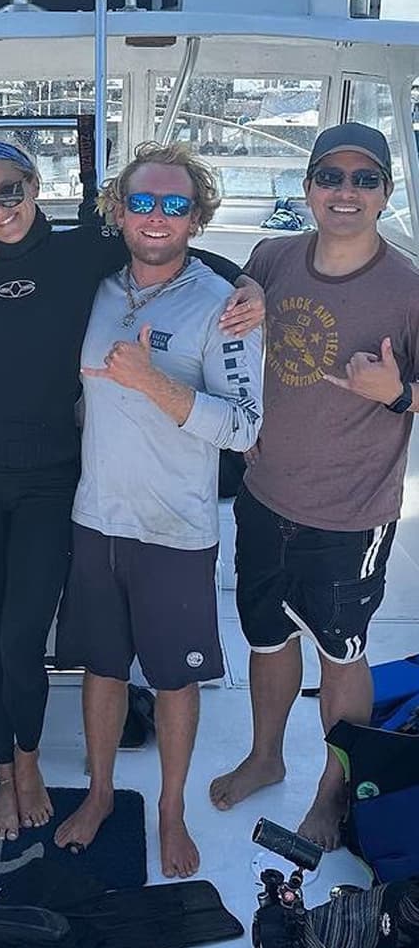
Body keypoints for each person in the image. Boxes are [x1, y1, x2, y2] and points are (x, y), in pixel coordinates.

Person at [0, 140, 264, 841]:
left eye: (11, 192)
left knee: (30, 635)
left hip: (67, 483)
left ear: (33, 183)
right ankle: (14, 773)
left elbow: (186, 258)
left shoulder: (86, 256)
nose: (0, 210)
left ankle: (105, 787)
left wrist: (255, 288)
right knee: (4, 636)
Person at [52, 142, 264, 878]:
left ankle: (171, 810)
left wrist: (154, 384)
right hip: (95, 516)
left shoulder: (225, 307)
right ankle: (102, 793)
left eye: (176, 205)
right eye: (142, 201)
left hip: (176, 527)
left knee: (174, 679)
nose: (157, 217)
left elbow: (244, 428)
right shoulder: (100, 288)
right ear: (117, 210)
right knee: (102, 669)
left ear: (198, 217)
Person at [209, 122, 419, 850]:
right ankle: (265, 758)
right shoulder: (272, 255)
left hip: (352, 514)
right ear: (307, 189)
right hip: (265, 495)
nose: (346, 192)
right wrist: (244, 289)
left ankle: (333, 793)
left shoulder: (407, 288)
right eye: (332, 176)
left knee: (342, 653)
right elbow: (240, 295)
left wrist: (398, 393)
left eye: (365, 180)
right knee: (265, 639)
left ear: (385, 194)